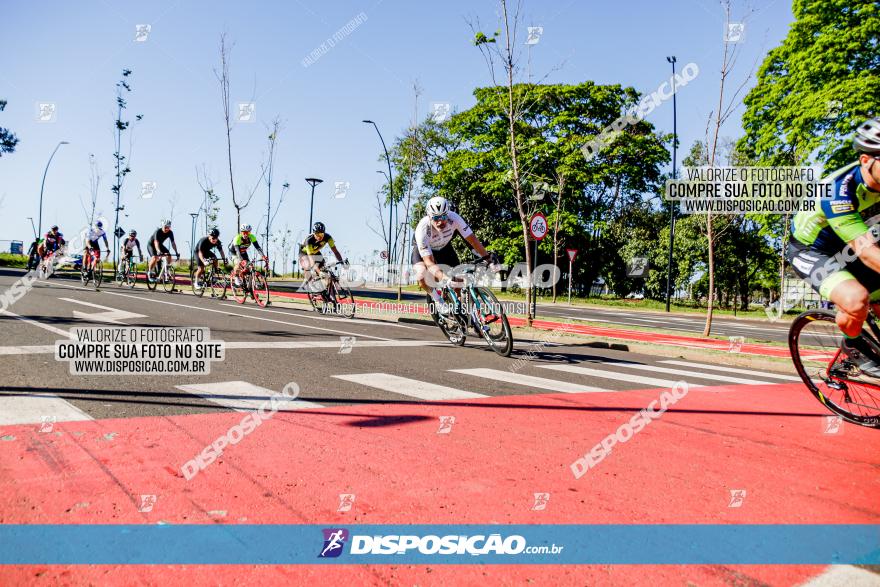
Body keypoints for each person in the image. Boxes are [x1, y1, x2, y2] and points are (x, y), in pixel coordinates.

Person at [787, 118, 880, 376]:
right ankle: (852, 345)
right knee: (856, 300)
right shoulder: (838, 191)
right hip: (813, 251)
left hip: (852, 245)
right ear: (866, 160)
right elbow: (867, 251)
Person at [411, 196, 496, 313]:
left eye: (443, 216)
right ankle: (437, 299)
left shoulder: (455, 218)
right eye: (436, 218)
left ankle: (460, 312)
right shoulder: (423, 229)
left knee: (458, 281)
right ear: (429, 216)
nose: (440, 221)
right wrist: (445, 279)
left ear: (448, 213)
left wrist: (488, 259)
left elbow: (473, 240)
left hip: (444, 247)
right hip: (425, 251)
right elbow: (429, 262)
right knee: (421, 275)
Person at [299, 222, 346, 291]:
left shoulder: (328, 237)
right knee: (308, 267)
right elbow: (312, 261)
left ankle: (330, 296)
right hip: (305, 253)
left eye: (321, 234)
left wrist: (342, 262)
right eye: (317, 234)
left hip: (315, 251)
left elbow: (335, 251)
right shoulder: (309, 240)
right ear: (314, 233)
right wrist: (319, 272)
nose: (319, 236)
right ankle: (310, 281)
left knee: (324, 269)